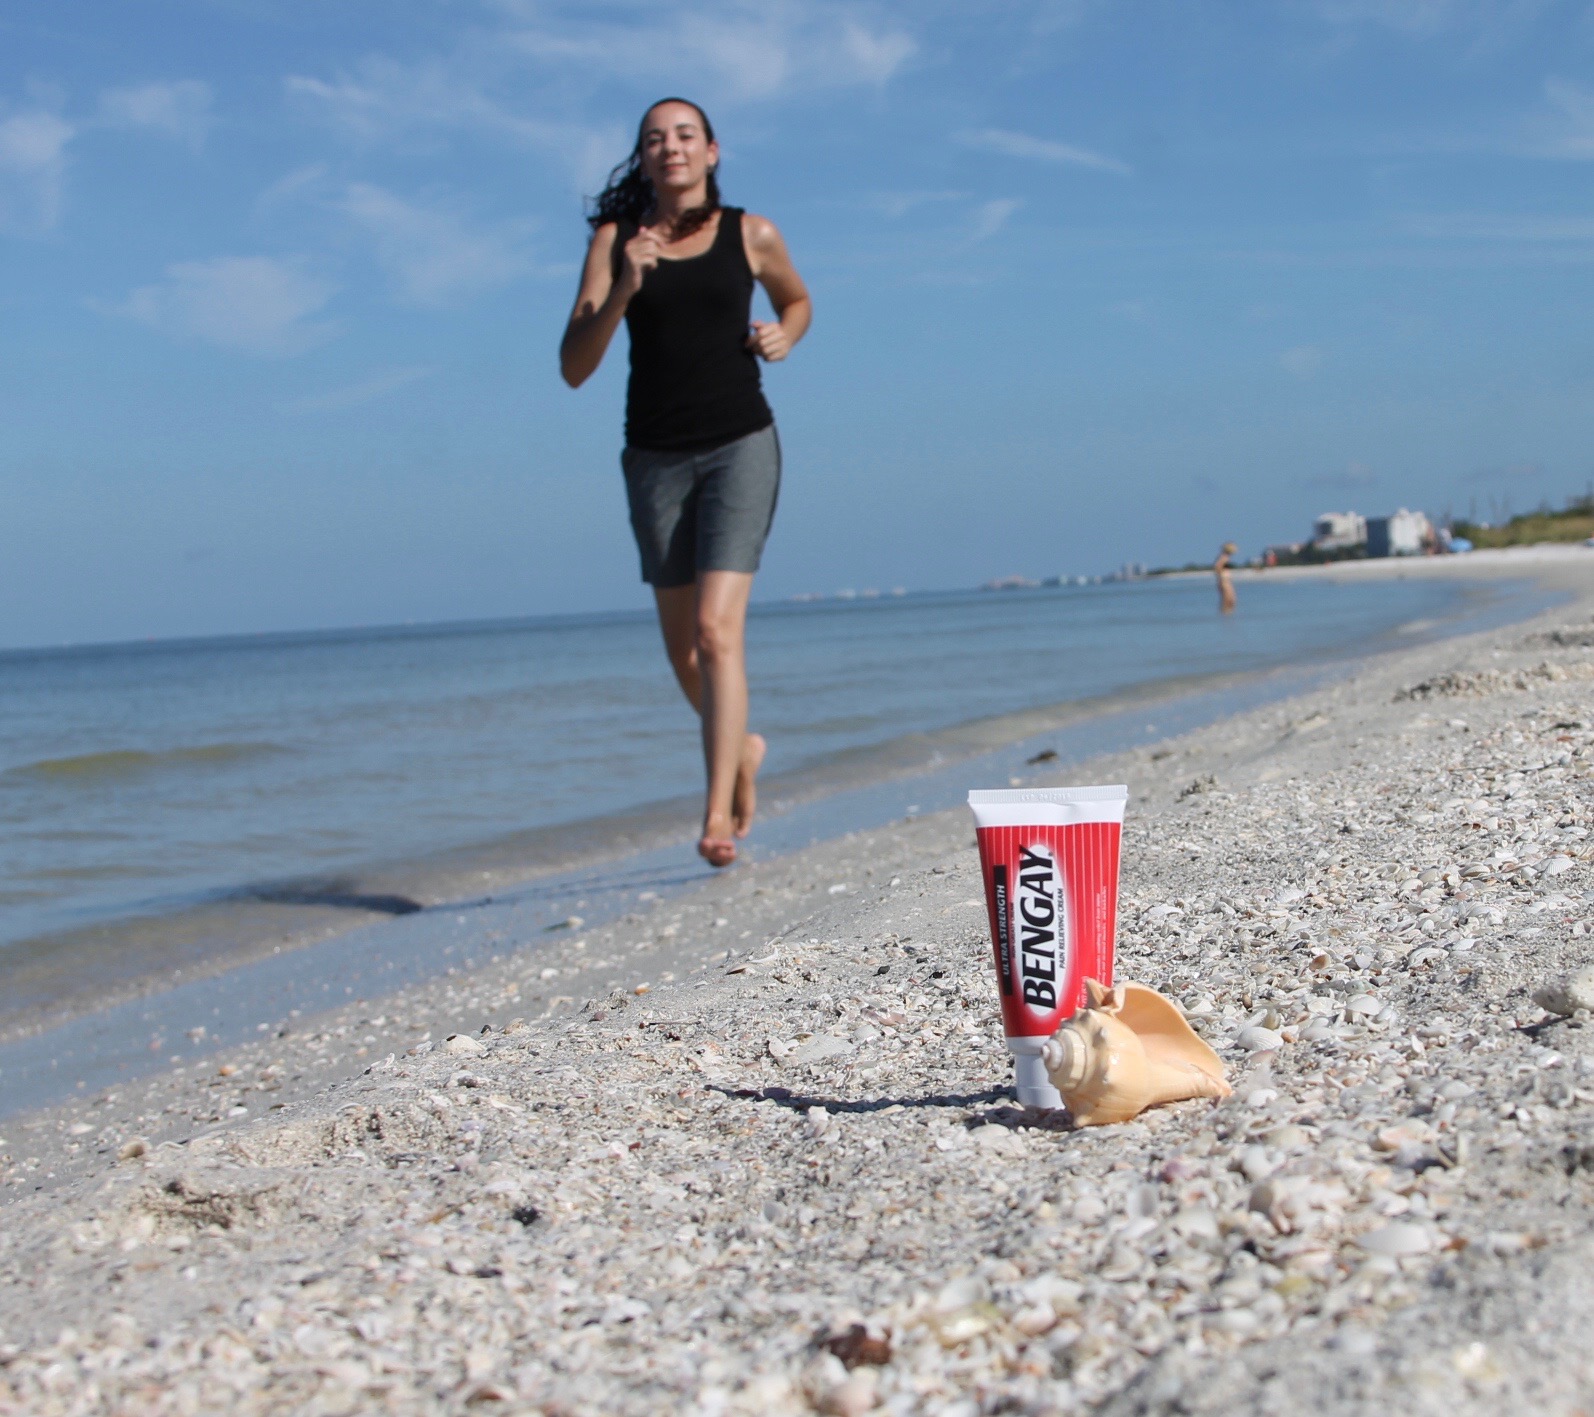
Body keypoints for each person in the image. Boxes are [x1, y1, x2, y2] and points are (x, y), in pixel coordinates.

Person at [560, 98, 811, 869]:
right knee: (682, 651)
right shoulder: (615, 242)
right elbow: (574, 364)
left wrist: (785, 334)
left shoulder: (751, 233)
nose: (670, 147)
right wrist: (627, 287)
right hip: (655, 457)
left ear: (711, 152)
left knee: (715, 630)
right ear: (642, 160)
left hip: (741, 442)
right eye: (654, 139)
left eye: (684, 136)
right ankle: (742, 746)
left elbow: (796, 300)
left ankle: (716, 816)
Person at [1213, 542, 1237, 615]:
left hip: (1225, 580)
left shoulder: (1225, 557)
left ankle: (1227, 614)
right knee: (1228, 599)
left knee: (1231, 599)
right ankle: (1226, 614)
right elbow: (1217, 567)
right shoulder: (1224, 557)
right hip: (1224, 581)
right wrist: (1221, 576)